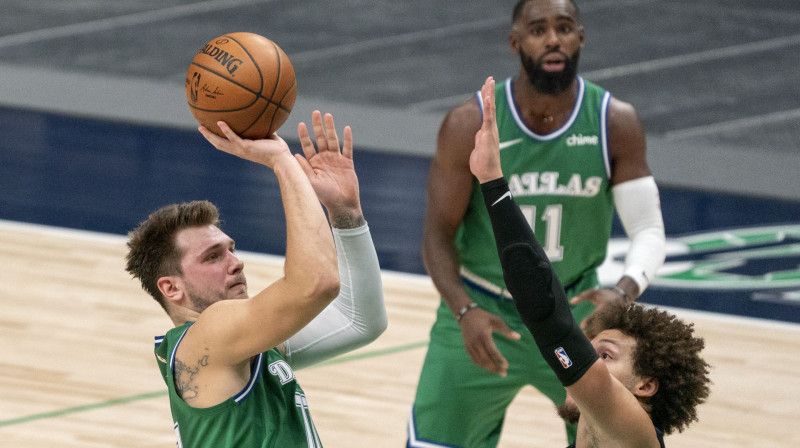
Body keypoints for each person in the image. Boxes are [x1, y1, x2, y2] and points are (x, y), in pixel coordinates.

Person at [409, 0, 666, 446]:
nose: (553, 39)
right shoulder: (468, 123)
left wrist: (623, 292)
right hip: (483, 309)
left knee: (618, 440)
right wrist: (463, 310)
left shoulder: (615, 123)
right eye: (538, 29)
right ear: (515, 42)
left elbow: (648, 230)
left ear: (580, 37)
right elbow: (437, 236)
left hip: (576, 318)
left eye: (564, 28)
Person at [470, 76, 710, 447]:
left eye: (604, 356)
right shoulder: (603, 434)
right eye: (593, 350)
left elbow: (548, 316)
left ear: (645, 386)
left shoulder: (631, 429)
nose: (589, 363)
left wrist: (493, 183)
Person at [125, 111, 387, 447]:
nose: (236, 263)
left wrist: (344, 211)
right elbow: (317, 283)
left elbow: (358, 321)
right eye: (212, 256)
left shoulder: (239, 347)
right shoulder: (209, 335)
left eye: (230, 249)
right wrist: (281, 161)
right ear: (170, 287)